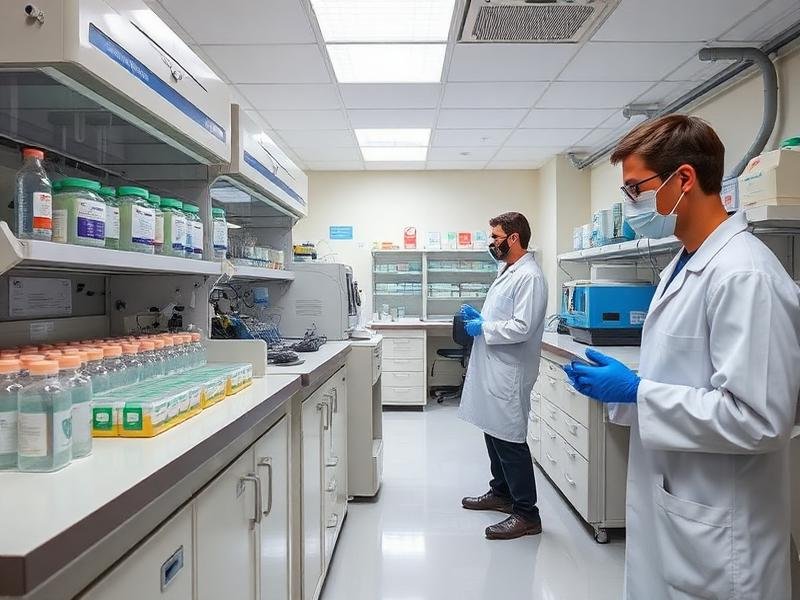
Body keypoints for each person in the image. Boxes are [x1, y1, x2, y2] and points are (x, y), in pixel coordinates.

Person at [564, 115, 800, 599]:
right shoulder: (683, 263)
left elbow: (759, 419)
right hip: (679, 502)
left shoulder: (744, 274)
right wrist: (632, 390)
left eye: (635, 189)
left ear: (684, 179)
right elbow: (686, 375)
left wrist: (639, 392)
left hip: (723, 530)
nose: (631, 204)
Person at [458, 211, 548, 540]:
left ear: (513, 238)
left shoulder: (530, 277)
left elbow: (522, 327)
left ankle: (527, 513)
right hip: (494, 366)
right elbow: (504, 316)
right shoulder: (508, 269)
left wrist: (485, 328)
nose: (491, 243)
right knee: (493, 431)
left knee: (510, 439)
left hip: (510, 371)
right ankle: (501, 493)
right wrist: (484, 320)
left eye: (495, 237)